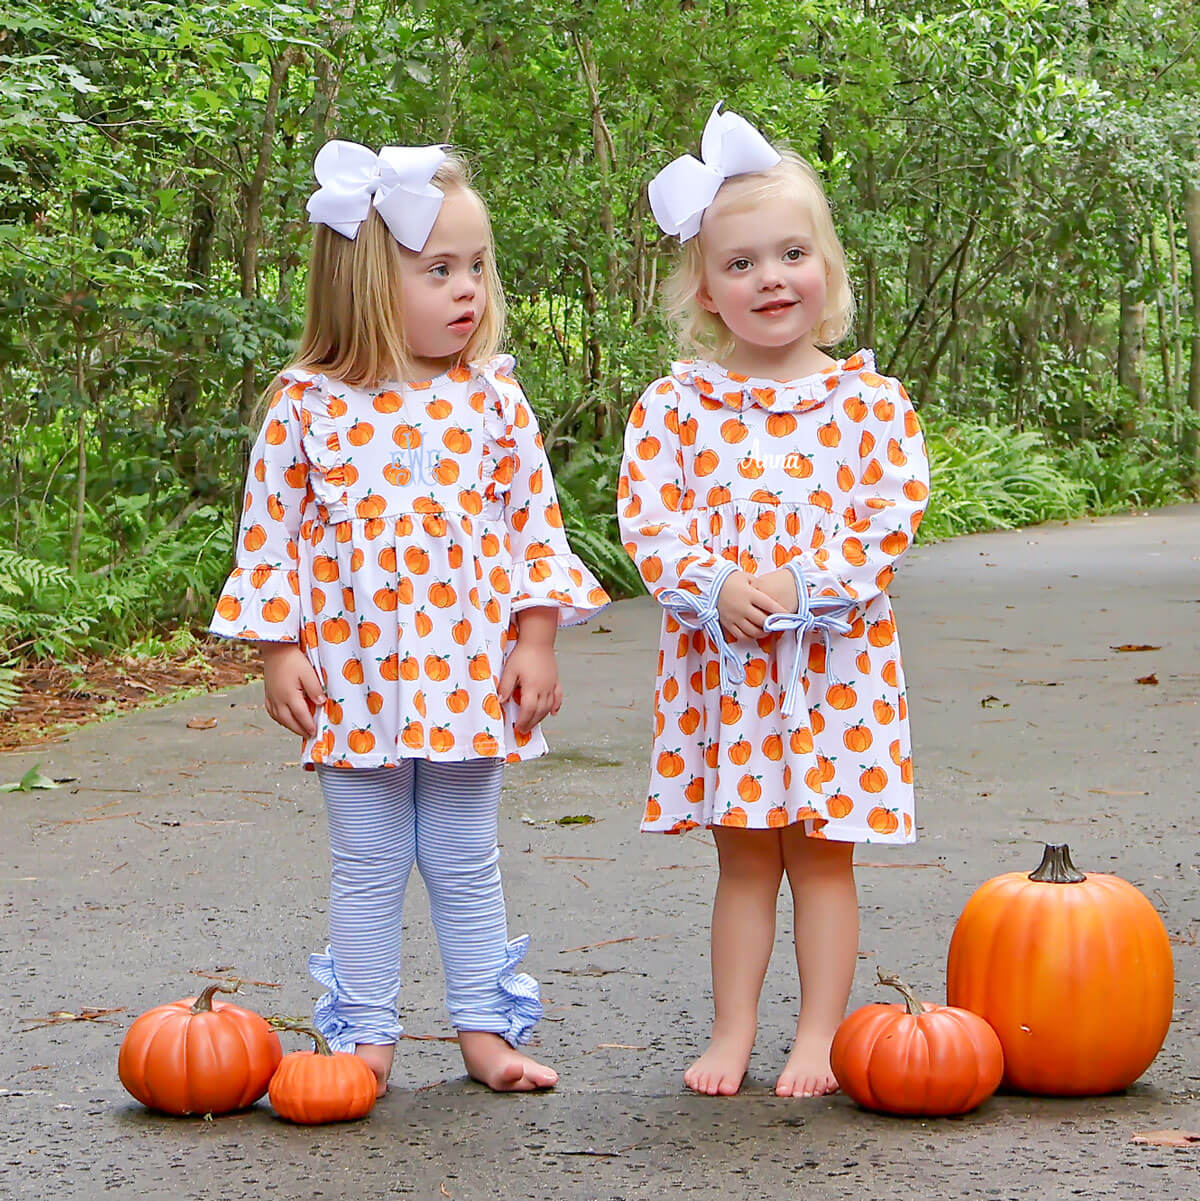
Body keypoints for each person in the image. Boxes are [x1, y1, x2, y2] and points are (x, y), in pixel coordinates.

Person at [211, 139, 610, 1095]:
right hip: (351, 681)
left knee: (465, 852)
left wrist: (537, 640)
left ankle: (486, 1031)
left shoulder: (492, 397)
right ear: (366, 283)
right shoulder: (307, 406)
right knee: (370, 857)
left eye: (476, 267)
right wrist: (278, 650)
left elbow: (531, 526)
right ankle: (366, 1038)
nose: (468, 288)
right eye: (439, 269)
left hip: (468, 675)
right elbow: (268, 540)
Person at [618, 105, 929, 1099]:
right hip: (730, 679)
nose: (770, 279)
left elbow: (890, 519)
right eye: (742, 263)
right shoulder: (675, 408)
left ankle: (822, 1035)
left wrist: (802, 583)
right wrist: (714, 584)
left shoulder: (871, 406)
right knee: (747, 861)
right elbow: (649, 522)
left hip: (832, 675)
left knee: (824, 862)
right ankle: (734, 1027)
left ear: (826, 268)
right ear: (707, 290)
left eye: (791, 253)